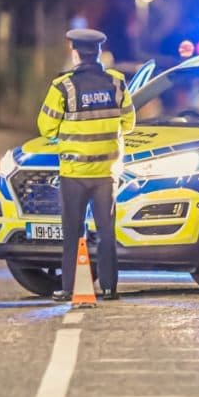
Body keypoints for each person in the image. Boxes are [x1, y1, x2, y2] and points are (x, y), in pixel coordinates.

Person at [37, 29, 136, 302]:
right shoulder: (117, 83)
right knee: (106, 233)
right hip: (106, 173)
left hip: (74, 173)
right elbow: (129, 124)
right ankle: (109, 288)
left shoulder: (63, 86)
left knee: (72, 233)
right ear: (99, 52)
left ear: (75, 52)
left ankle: (69, 287)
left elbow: (45, 128)